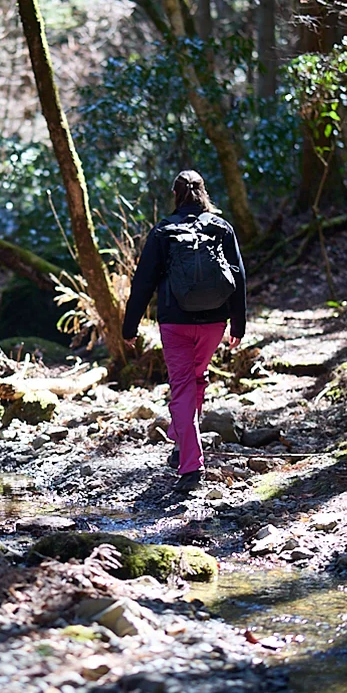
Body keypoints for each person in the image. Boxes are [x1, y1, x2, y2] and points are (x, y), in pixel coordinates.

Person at [122, 170, 246, 491]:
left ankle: (191, 467)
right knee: (196, 377)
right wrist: (238, 323)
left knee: (181, 388)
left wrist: (130, 325)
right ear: (204, 192)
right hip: (214, 322)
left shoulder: (163, 231)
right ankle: (181, 442)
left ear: (175, 195)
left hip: (175, 322)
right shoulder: (221, 227)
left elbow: (143, 282)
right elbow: (238, 275)